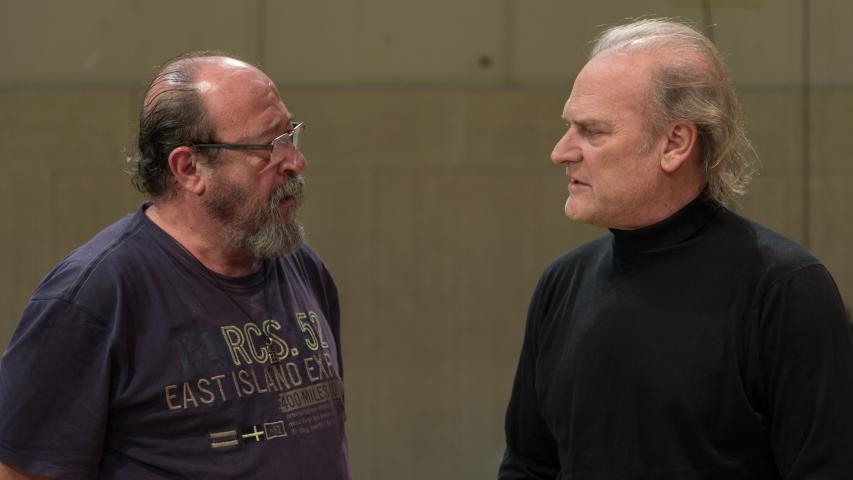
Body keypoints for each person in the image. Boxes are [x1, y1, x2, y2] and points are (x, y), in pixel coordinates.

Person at [498, 19, 853, 479]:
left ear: (675, 143)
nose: (561, 151)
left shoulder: (784, 289)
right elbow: (528, 466)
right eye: (569, 127)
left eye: (592, 131)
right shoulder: (562, 284)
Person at [0, 52, 349, 479]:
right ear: (189, 168)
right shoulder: (94, 297)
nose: (295, 161)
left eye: (290, 136)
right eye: (270, 146)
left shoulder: (301, 266)